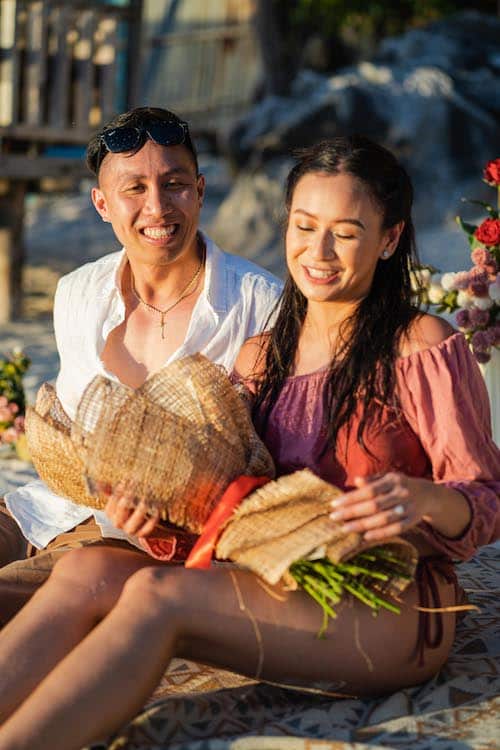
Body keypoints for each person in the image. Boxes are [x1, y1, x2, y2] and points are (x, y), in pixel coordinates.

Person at [0, 136, 498, 750]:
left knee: (159, 596)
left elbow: (483, 496)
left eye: (345, 232)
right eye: (304, 225)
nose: (318, 252)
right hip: (276, 569)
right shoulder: (262, 357)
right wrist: (153, 514)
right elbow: (226, 495)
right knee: (86, 568)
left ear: (389, 239)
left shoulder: (420, 345)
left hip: (390, 596)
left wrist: (422, 499)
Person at [0, 107, 282, 623]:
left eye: (173, 184)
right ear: (102, 204)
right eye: (134, 189)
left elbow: (270, 464)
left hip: (148, 543)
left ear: (198, 190)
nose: (157, 207)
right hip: (50, 508)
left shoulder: (261, 303)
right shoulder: (77, 292)